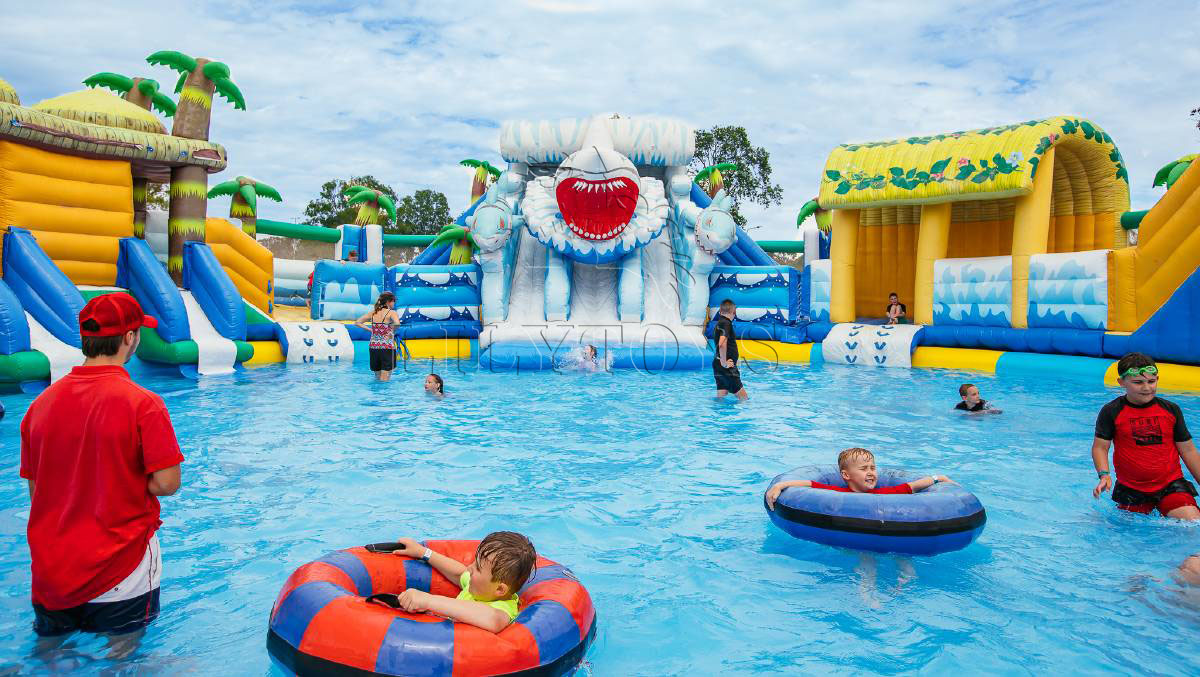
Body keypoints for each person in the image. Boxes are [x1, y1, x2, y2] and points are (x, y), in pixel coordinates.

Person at [19, 294, 183, 638]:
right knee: (123, 659)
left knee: (51, 658)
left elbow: (38, 492)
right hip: (121, 569)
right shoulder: (144, 404)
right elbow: (167, 482)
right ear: (129, 338)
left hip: (52, 574)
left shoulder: (39, 406)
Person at [1092, 352, 1200, 520]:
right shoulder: (1112, 411)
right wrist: (1104, 474)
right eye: (1138, 382)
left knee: (1192, 523)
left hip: (1170, 485)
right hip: (1131, 489)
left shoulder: (1170, 410)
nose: (1147, 387)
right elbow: (1100, 447)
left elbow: (1188, 451)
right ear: (1121, 383)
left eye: (1152, 381)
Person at [386, 532, 536, 633]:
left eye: (477, 568)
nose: (469, 569)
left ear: (500, 590)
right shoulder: (481, 589)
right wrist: (423, 553)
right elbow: (458, 574)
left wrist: (428, 600)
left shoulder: (502, 608)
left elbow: (493, 619)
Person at [765, 448, 952, 509]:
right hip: (861, 535)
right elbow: (810, 484)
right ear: (846, 476)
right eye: (864, 469)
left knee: (905, 565)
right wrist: (781, 485)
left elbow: (913, 485)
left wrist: (938, 478)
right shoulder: (839, 493)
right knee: (866, 564)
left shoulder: (886, 493)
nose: (871, 472)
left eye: (873, 467)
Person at [354, 292, 400, 381]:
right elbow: (397, 323)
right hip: (387, 347)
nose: (394, 303)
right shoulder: (392, 312)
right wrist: (392, 332)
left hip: (374, 347)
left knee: (377, 377)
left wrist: (371, 330)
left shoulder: (373, 313)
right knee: (385, 378)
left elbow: (357, 322)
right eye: (393, 301)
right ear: (388, 302)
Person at [712, 299, 747, 400]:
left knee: (721, 399)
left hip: (717, 364)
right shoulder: (726, 323)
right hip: (727, 367)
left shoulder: (719, 323)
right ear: (734, 312)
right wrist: (724, 363)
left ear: (720, 312)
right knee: (744, 399)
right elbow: (722, 344)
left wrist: (721, 362)